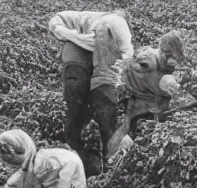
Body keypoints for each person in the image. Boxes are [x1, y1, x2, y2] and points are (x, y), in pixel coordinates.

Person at [47, 9, 134, 175]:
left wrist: (70, 35)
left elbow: (55, 20)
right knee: (103, 106)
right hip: (85, 61)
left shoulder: (83, 17)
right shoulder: (117, 20)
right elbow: (127, 52)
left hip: (77, 59)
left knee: (72, 107)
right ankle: (107, 162)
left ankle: (75, 155)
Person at [105, 31, 190, 156]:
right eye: (169, 56)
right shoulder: (147, 62)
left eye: (176, 58)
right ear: (161, 51)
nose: (172, 62)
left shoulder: (169, 62)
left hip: (158, 112)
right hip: (138, 111)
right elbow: (149, 78)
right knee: (123, 145)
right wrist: (166, 84)